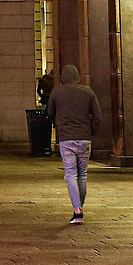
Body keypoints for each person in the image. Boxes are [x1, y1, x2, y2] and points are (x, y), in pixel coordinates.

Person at [48, 63, 100, 223]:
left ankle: (77, 210)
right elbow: (97, 115)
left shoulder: (57, 92)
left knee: (70, 174)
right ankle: (80, 206)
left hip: (66, 138)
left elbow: (50, 112)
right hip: (84, 138)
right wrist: (91, 131)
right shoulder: (88, 92)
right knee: (82, 174)